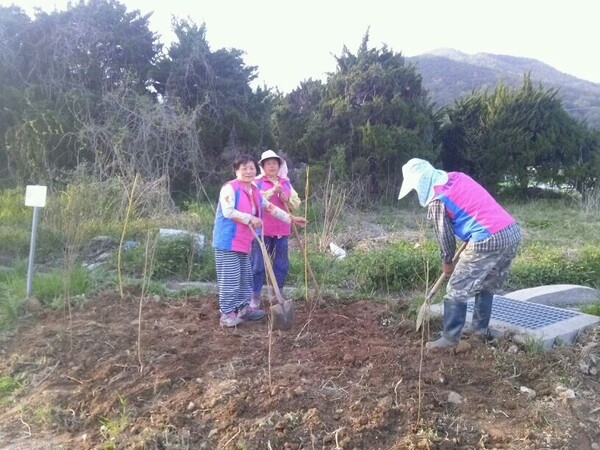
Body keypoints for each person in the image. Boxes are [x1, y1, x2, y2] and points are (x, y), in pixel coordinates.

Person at [398, 158, 521, 348]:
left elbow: (445, 236)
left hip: (488, 237)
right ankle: (479, 331)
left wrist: (447, 261)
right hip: (510, 231)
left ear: (421, 182)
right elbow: (476, 204)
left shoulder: (437, 200)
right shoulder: (457, 177)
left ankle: (450, 338)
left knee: (457, 287)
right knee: (486, 284)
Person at [212, 154, 307, 327]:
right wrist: (250, 218)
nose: (248, 171)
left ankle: (243, 309)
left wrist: (291, 218)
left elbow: (270, 208)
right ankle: (226, 314)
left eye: (251, 168)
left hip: (244, 241)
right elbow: (228, 212)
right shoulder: (230, 188)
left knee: (246, 277)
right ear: (236, 171)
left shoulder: (254, 190)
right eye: (244, 168)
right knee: (231, 279)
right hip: (227, 241)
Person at [251, 150, 302, 309]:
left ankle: (276, 296)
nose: (272, 166)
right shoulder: (256, 182)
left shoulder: (285, 182)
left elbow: (296, 202)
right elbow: (256, 201)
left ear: (279, 165)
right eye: (268, 163)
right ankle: (255, 298)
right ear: (263, 166)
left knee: (281, 264)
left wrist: (287, 199)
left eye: (274, 163)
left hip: (282, 230)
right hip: (263, 231)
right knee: (258, 265)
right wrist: (273, 191)